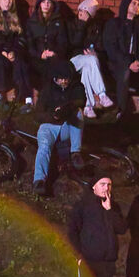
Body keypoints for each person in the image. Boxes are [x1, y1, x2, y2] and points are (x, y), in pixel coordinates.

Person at [66, 175, 127, 277]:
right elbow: (72, 231)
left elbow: (121, 228)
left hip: (108, 262)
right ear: (94, 186)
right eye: (102, 184)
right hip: (89, 260)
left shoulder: (113, 206)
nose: (106, 188)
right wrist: (78, 255)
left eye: (109, 185)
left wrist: (109, 210)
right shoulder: (83, 206)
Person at [31, 60, 86, 196]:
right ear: (55, 78)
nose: (63, 82)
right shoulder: (47, 90)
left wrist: (67, 108)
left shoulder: (76, 87)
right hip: (48, 127)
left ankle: (75, 153)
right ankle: (39, 180)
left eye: (66, 79)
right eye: (60, 79)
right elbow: (37, 115)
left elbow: (81, 100)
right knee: (44, 147)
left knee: (78, 113)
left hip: (67, 126)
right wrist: (53, 116)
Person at [102, 0, 139, 122]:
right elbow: (111, 48)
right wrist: (128, 63)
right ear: (126, 5)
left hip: (137, 66)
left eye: (138, 4)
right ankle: (121, 110)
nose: (137, 7)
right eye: (134, 4)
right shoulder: (114, 24)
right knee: (124, 72)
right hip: (118, 65)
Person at [0, 0, 32, 109]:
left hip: (11, 52)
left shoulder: (17, 17)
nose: (7, 2)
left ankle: (26, 99)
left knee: (22, 63)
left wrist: (14, 51)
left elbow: (21, 38)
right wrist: (2, 51)